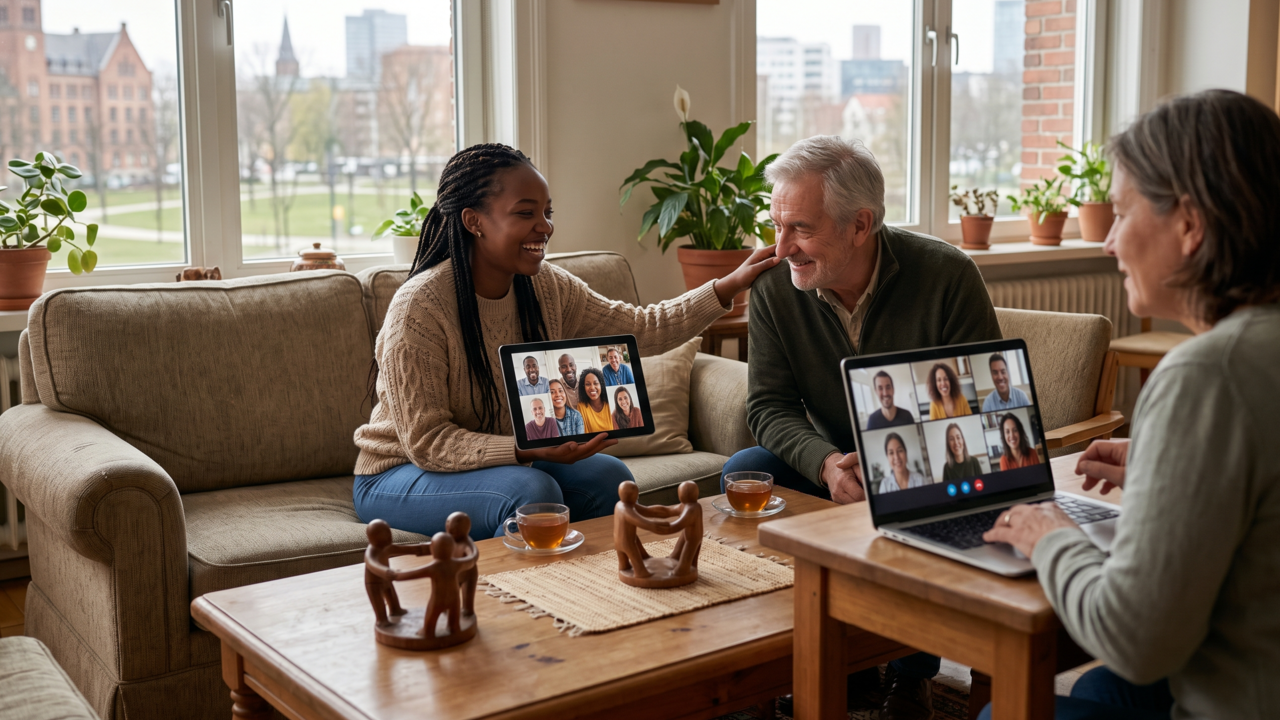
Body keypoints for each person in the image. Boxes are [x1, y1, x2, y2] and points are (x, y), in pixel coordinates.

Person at [980, 89, 1280, 720]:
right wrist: (1162, 464)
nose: (1110, 242)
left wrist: (1050, 536)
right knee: (1098, 691)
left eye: (1121, 213)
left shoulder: (1207, 373)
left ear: (1190, 224)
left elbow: (1136, 640)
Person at [352, 143, 778, 541]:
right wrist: (527, 449)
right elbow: (427, 441)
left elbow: (642, 327)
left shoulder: (547, 287)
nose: (545, 226)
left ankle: (592, 585)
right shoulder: (420, 307)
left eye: (547, 211)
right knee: (531, 490)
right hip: (398, 472)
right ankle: (507, 593)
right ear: (473, 221)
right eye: (526, 213)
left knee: (608, 476)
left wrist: (729, 285)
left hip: (498, 461)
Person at [720, 136, 1000, 719]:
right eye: (776, 226)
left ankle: (911, 671)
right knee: (745, 472)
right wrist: (825, 462)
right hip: (834, 459)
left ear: (860, 225)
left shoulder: (947, 275)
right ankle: (820, 650)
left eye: (800, 228)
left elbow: (981, 411)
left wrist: (894, 463)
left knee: (917, 494)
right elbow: (768, 405)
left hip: (927, 457)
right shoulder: (774, 286)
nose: (782, 247)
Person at [576, 367, 615, 433]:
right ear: (583, 387)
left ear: (601, 385)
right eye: (588, 384)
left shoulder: (611, 402)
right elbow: (585, 434)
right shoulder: (581, 407)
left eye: (596, 383)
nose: (592, 387)